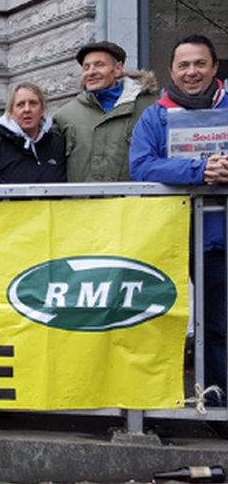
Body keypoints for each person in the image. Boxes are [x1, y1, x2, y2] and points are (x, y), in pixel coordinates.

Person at [129, 34, 228, 399]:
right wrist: (199, 171)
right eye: (183, 65)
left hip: (218, 241)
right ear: (171, 70)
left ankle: (219, 404)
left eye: (200, 63)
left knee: (218, 327)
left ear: (214, 68)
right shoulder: (154, 117)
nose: (192, 72)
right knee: (159, 325)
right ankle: (161, 403)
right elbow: (140, 167)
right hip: (166, 240)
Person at [53, 41, 159, 182]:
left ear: (117, 69)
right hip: (81, 203)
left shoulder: (150, 107)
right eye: (86, 67)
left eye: (99, 65)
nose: (91, 72)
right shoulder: (65, 116)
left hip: (133, 202)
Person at [0, 83, 67, 183]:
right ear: (11, 112)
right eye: (20, 105)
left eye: (33, 103)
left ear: (42, 109)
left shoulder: (57, 144)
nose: (27, 109)